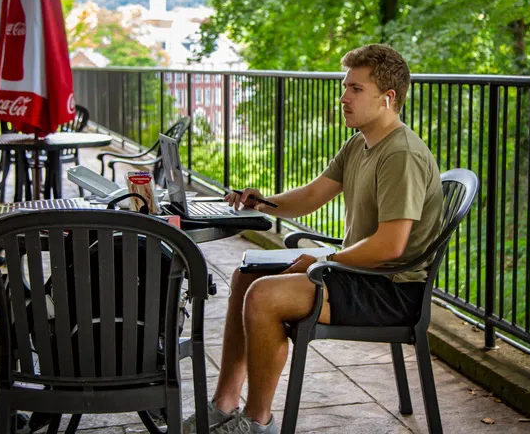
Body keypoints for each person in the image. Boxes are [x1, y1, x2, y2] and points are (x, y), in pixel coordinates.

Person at [183, 44, 443, 434]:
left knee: (264, 296)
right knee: (245, 277)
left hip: (390, 289)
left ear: (388, 98)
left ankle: (257, 423)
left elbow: (391, 246)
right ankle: (224, 404)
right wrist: (264, 203)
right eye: (345, 87)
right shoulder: (361, 142)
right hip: (363, 276)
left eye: (356, 89)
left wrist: (326, 262)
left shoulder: (400, 155)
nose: (344, 97)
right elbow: (310, 197)